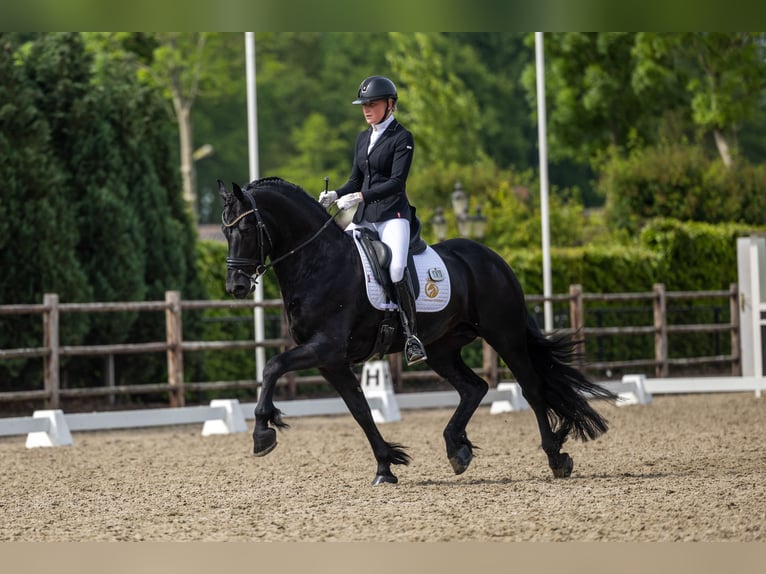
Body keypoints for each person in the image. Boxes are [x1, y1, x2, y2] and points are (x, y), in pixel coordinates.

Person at [319, 75, 427, 366]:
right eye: (364, 104)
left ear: (389, 105)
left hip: (393, 216)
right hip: (365, 218)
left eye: (373, 104)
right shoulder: (363, 138)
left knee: (395, 267)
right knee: (339, 258)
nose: (366, 109)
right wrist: (336, 194)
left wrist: (360, 198)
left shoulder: (402, 138)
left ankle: (411, 335)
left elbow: (395, 183)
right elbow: (355, 179)